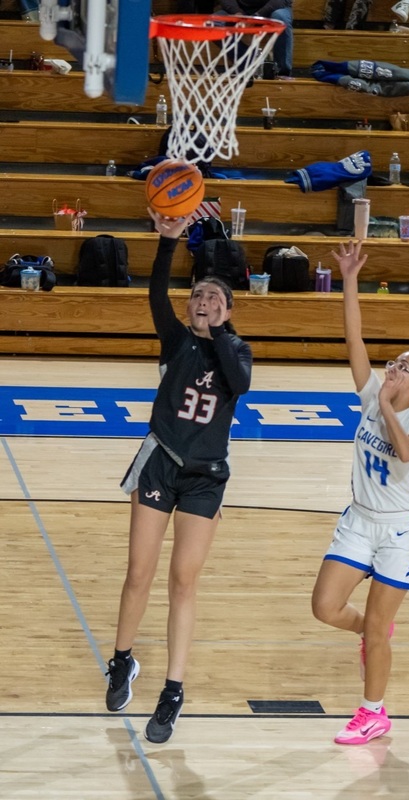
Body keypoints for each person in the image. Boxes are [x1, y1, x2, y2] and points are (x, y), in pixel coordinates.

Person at [105, 210, 252, 745]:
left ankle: (173, 692)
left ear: (229, 309)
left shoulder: (237, 351)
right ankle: (122, 661)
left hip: (205, 478)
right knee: (138, 571)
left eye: (213, 298)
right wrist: (168, 242)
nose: (202, 302)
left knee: (182, 581)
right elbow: (154, 294)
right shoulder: (175, 339)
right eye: (197, 297)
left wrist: (220, 333)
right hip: (161, 462)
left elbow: (237, 379)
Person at [311, 239, 409, 746]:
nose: (393, 369)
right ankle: (373, 633)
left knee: (380, 624)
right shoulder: (374, 394)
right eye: (395, 363)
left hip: (399, 532)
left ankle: (373, 712)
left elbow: (406, 452)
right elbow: (354, 339)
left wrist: (384, 404)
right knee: (324, 607)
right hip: (358, 519)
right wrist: (348, 279)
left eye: (404, 369)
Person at [217, 0, 293, 76]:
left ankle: (282, 72)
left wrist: (257, 16)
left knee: (280, 17)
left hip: (273, 9)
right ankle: (245, 63)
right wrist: (237, 12)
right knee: (213, 23)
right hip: (240, 10)